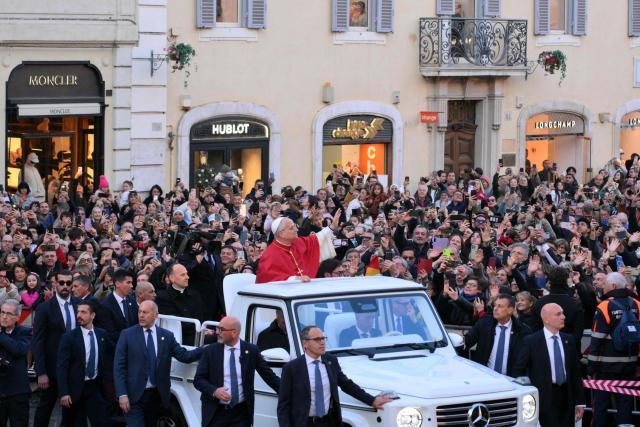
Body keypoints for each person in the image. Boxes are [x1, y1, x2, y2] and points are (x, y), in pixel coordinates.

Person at [277, 325, 392, 426]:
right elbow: (283, 405)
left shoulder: (330, 361)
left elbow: (346, 385)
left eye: (323, 338)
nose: (322, 342)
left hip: (328, 422)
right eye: (317, 339)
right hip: (304, 423)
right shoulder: (292, 368)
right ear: (305, 343)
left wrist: (372, 400)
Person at [114, 300, 206, 427]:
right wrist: (122, 394)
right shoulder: (127, 335)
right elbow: (119, 367)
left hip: (156, 397)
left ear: (155, 315)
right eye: (139, 312)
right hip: (133, 397)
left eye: (145, 312)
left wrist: (205, 349)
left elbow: (184, 356)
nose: (141, 315)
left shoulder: (166, 336)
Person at [193, 315, 280, 426]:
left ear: (234, 333)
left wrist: (291, 393)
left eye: (221, 329)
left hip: (241, 414)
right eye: (217, 329)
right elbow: (198, 380)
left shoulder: (251, 350)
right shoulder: (210, 351)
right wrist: (214, 391)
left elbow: (270, 377)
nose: (217, 332)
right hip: (216, 413)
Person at [513, 303, 584, 427]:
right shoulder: (532, 341)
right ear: (546, 319)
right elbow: (518, 370)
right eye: (558, 314)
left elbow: (575, 372)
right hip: (543, 399)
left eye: (563, 313)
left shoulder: (569, 340)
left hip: (567, 398)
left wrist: (580, 402)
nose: (563, 317)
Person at [588, 272, 640, 427]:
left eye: (605, 284)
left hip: (605, 367)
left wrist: (591, 369)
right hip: (630, 364)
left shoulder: (604, 306)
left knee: (601, 405)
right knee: (625, 405)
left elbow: (596, 340)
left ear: (613, 286)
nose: (603, 287)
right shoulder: (636, 304)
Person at [32, 269, 81, 427]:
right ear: (55, 284)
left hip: (73, 368)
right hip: (51, 368)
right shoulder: (44, 308)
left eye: (68, 283)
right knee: (45, 408)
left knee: (71, 409)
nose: (65, 286)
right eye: (61, 283)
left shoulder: (79, 305)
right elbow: (38, 341)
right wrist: (41, 372)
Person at [56, 300, 109, 427]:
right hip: (74, 389)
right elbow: (61, 366)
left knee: (101, 422)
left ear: (93, 315)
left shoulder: (102, 334)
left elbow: (106, 359)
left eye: (83, 312)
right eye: (78, 312)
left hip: (94, 387)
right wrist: (64, 392)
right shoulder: (69, 337)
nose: (79, 315)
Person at [255, 210, 340, 283]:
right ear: (281, 233)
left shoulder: (297, 242)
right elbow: (268, 278)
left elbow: (317, 239)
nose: (296, 229)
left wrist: (331, 227)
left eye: (295, 226)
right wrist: (294, 279)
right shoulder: (270, 254)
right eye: (292, 228)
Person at [463, 294, 532, 376]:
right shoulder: (484, 323)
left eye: (500, 306)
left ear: (510, 310)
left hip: (511, 380)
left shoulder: (523, 331)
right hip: (484, 376)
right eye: (495, 305)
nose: (495, 309)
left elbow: (526, 360)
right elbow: (467, 341)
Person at [531, 266, 584, 352]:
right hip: (569, 352)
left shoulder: (539, 303)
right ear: (566, 280)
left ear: (549, 280)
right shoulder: (575, 304)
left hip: (543, 350)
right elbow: (578, 334)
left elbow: (534, 329)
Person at [156, 263, 205, 345]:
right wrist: (199, 330)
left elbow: (200, 316)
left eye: (187, 274)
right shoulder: (163, 297)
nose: (187, 277)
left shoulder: (195, 294)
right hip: (178, 338)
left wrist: (203, 330)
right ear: (172, 278)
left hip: (197, 334)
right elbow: (175, 322)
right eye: (183, 275)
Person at [0, 299, 31, 427]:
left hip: (17, 392)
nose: (4, 316)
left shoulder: (25, 332)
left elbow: (19, 350)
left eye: (9, 314)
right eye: (2, 312)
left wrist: (0, 334)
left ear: (17, 317)